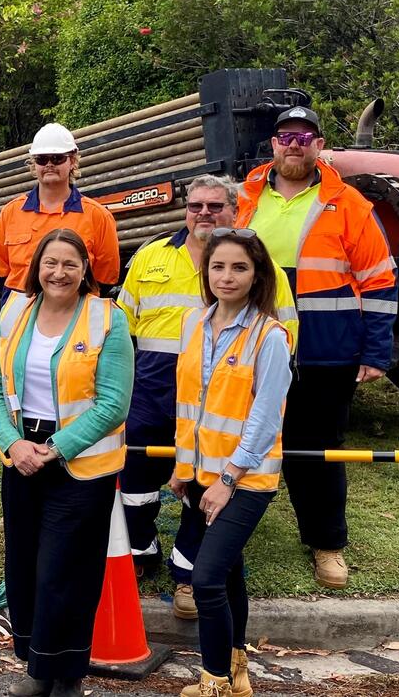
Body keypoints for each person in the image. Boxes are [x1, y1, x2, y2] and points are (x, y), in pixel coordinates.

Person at [117, 175, 297, 619]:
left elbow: (284, 334)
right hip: (153, 392)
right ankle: (141, 551)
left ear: (234, 212)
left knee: (204, 489)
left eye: (215, 206)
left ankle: (187, 575)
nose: (204, 213)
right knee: (137, 481)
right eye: (196, 205)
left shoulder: (262, 268)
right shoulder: (151, 256)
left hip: (223, 402)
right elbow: (121, 327)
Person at [236, 106, 397, 589]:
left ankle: (327, 545)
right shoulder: (244, 198)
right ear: (273, 144)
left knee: (319, 452)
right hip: (251, 350)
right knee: (240, 443)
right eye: (286, 136)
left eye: (305, 137)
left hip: (324, 354)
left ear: (319, 145)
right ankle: (227, 533)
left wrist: (374, 352)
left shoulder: (348, 204)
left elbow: (379, 280)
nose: (294, 144)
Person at [0, 228, 133, 697]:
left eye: (70, 263)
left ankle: (67, 673)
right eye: (51, 263)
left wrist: (58, 447)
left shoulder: (108, 319)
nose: (59, 272)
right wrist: (12, 443)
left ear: (85, 270)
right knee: (24, 567)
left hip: (79, 466)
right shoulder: (14, 313)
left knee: (64, 571)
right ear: (36, 268)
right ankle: (36, 667)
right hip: (22, 457)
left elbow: (114, 403)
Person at [168, 228, 292, 697]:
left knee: (206, 577)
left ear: (258, 273)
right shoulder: (193, 324)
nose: (227, 276)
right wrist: (184, 466)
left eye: (239, 267)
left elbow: (265, 419)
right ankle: (238, 671)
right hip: (200, 476)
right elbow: (188, 405)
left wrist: (227, 478)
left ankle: (214, 681)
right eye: (218, 266)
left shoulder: (270, 336)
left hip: (245, 480)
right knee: (229, 572)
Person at [0, 123, 120, 297]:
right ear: (34, 164)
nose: (49, 164)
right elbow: (0, 273)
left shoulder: (97, 216)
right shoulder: (11, 213)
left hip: (77, 308)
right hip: (20, 308)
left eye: (57, 158)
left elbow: (106, 277)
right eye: (42, 159)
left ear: (72, 161)